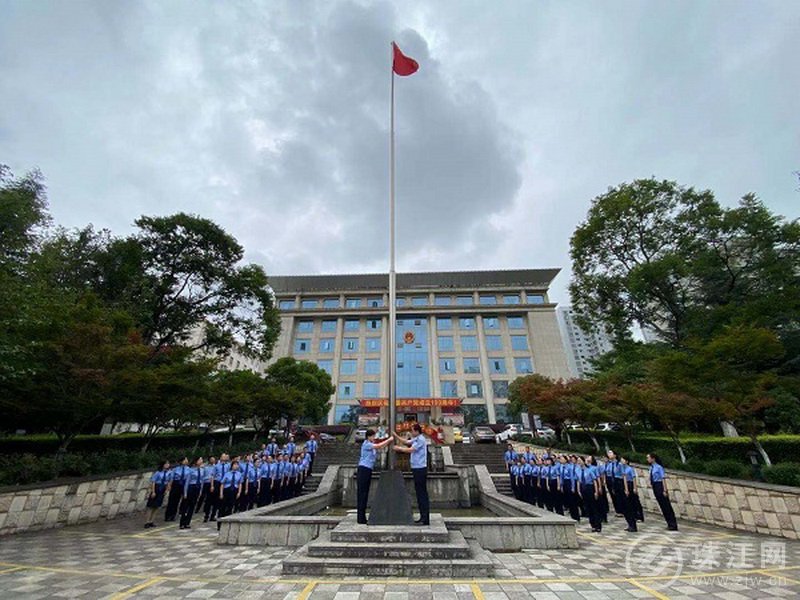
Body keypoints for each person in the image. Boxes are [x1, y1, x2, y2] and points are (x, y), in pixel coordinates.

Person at [393, 423, 430, 525]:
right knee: (419, 492)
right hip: (416, 468)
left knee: (422, 493)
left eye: (412, 430)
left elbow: (411, 449)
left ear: (417, 431)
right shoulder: (417, 438)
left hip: (420, 468)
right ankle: (423, 517)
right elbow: (407, 442)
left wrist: (399, 449)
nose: (411, 432)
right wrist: (395, 436)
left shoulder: (421, 439)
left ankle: (425, 518)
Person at [355, 429, 394, 524]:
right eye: (373, 436)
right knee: (362, 494)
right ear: (369, 436)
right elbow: (379, 446)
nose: (374, 438)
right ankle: (360, 518)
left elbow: (380, 447)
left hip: (368, 470)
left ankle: (362, 517)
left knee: (365, 493)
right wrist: (389, 440)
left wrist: (388, 442)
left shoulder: (370, 444)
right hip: (363, 469)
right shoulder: (367, 444)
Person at [647, 453, 678, 531]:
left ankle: (673, 524)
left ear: (653, 458)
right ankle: (669, 523)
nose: (647, 459)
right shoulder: (651, 468)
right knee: (662, 506)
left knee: (666, 505)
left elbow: (663, 478)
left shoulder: (659, 467)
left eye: (648, 458)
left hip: (660, 485)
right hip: (655, 486)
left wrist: (665, 490)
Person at [576, 456, 601, 532]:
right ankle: (592, 525)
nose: (579, 462)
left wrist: (596, 491)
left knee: (594, 507)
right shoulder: (578, 470)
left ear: (584, 461)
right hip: (583, 489)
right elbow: (578, 481)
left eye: (580, 460)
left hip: (590, 488)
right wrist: (579, 491)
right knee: (588, 508)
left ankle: (598, 525)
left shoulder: (589, 470)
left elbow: (594, 481)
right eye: (578, 461)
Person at [144, 461, 170, 529]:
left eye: (168, 464)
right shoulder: (158, 473)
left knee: (157, 506)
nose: (167, 465)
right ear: (163, 465)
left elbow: (168, 482)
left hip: (162, 489)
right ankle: (147, 521)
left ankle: (151, 521)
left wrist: (167, 490)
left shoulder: (168, 473)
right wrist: (153, 491)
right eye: (166, 464)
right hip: (157, 488)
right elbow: (153, 482)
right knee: (151, 506)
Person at [179, 457, 204, 529]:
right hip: (191, 487)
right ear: (195, 462)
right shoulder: (190, 470)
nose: (201, 461)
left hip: (197, 488)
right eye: (199, 460)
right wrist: (185, 493)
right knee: (185, 506)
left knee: (192, 506)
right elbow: (187, 482)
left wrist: (200, 491)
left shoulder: (202, 470)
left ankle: (187, 522)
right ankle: (182, 523)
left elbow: (202, 481)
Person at [217, 459, 243, 530]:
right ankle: (219, 524)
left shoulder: (239, 474)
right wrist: (221, 493)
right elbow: (222, 484)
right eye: (234, 465)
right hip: (226, 491)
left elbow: (240, 484)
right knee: (222, 508)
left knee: (230, 507)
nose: (236, 466)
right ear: (231, 466)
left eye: (237, 465)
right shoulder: (227, 473)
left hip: (234, 491)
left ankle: (227, 523)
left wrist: (239, 492)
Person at [165, 457, 189, 522]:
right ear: (181, 461)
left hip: (183, 485)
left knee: (180, 501)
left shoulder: (188, 469)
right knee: (172, 500)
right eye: (185, 460)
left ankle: (174, 515)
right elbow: (172, 478)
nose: (186, 461)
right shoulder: (176, 469)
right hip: (176, 484)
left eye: (186, 460)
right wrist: (169, 485)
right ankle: (168, 515)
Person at [620, 456, 644, 523]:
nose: (621, 461)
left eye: (623, 460)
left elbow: (633, 478)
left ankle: (639, 516)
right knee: (629, 502)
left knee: (635, 501)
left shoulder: (630, 469)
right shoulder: (623, 469)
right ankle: (633, 515)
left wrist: (635, 488)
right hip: (626, 484)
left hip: (630, 484)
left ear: (627, 461)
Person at [209, 453, 229, 522]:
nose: (224, 457)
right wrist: (212, 485)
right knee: (216, 500)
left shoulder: (228, 466)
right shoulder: (216, 466)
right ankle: (212, 515)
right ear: (220, 457)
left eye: (225, 456)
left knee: (223, 500)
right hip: (217, 482)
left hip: (225, 483)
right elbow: (212, 476)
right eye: (223, 456)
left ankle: (221, 515)